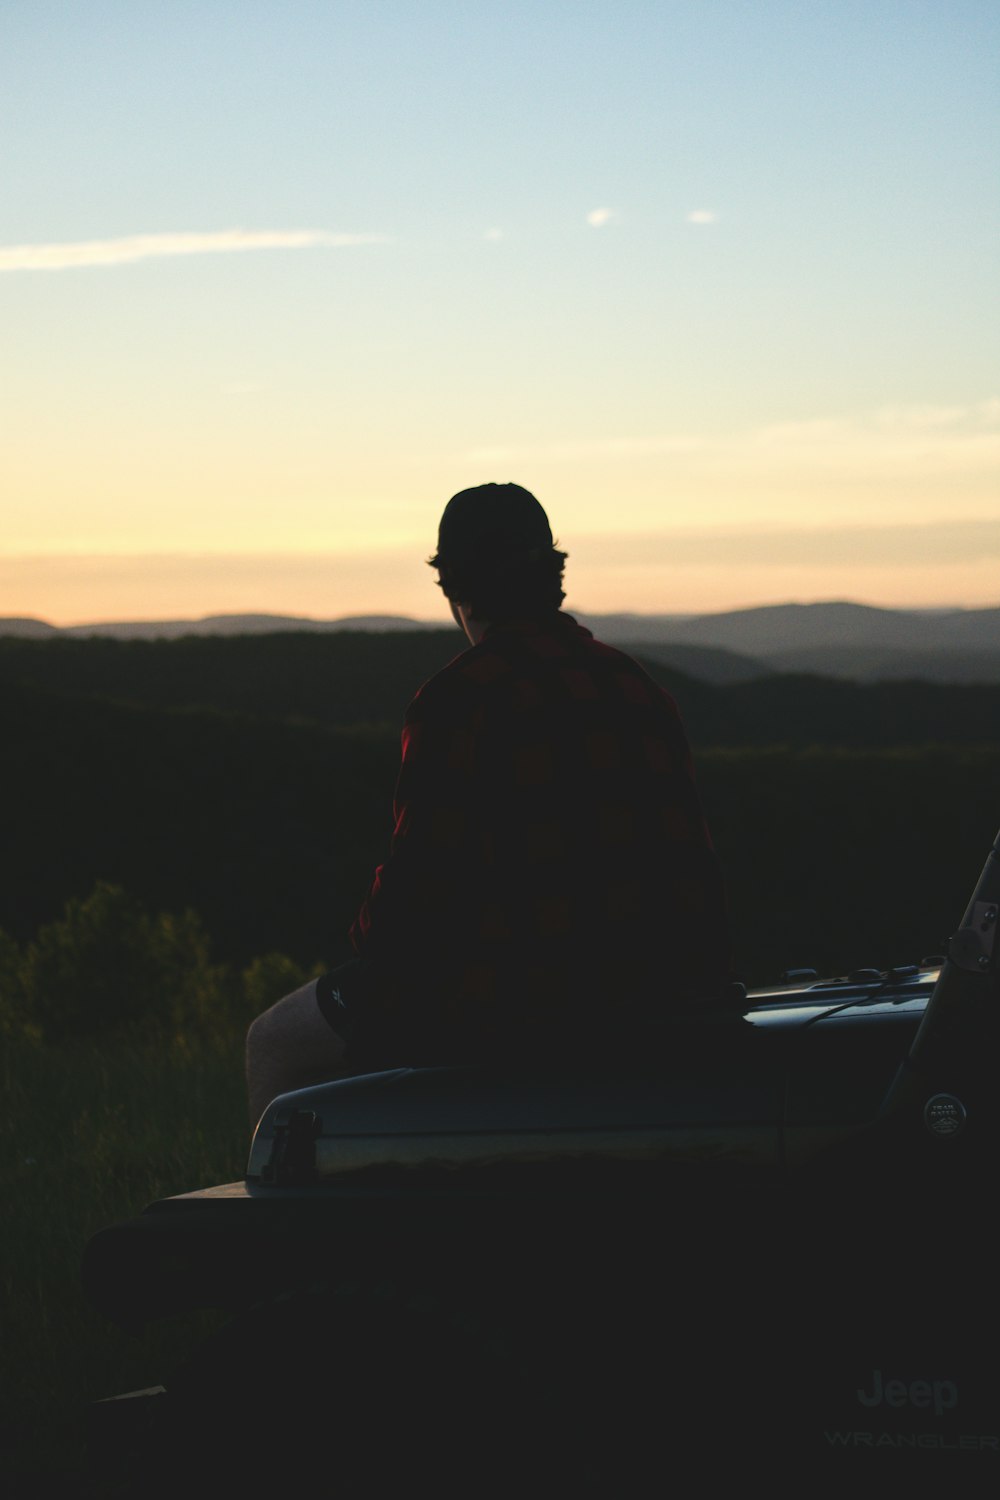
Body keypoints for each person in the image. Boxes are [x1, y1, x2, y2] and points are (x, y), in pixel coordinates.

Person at [246, 484, 734, 1124]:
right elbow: (692, 870)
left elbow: (411, 909)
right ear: (551, 574)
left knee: (274, 1043)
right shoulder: (636, 686)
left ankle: (292, 1220)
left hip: (518, 1006)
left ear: (455, 586)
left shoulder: (460, 701)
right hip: (664, 990)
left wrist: (371, 937)